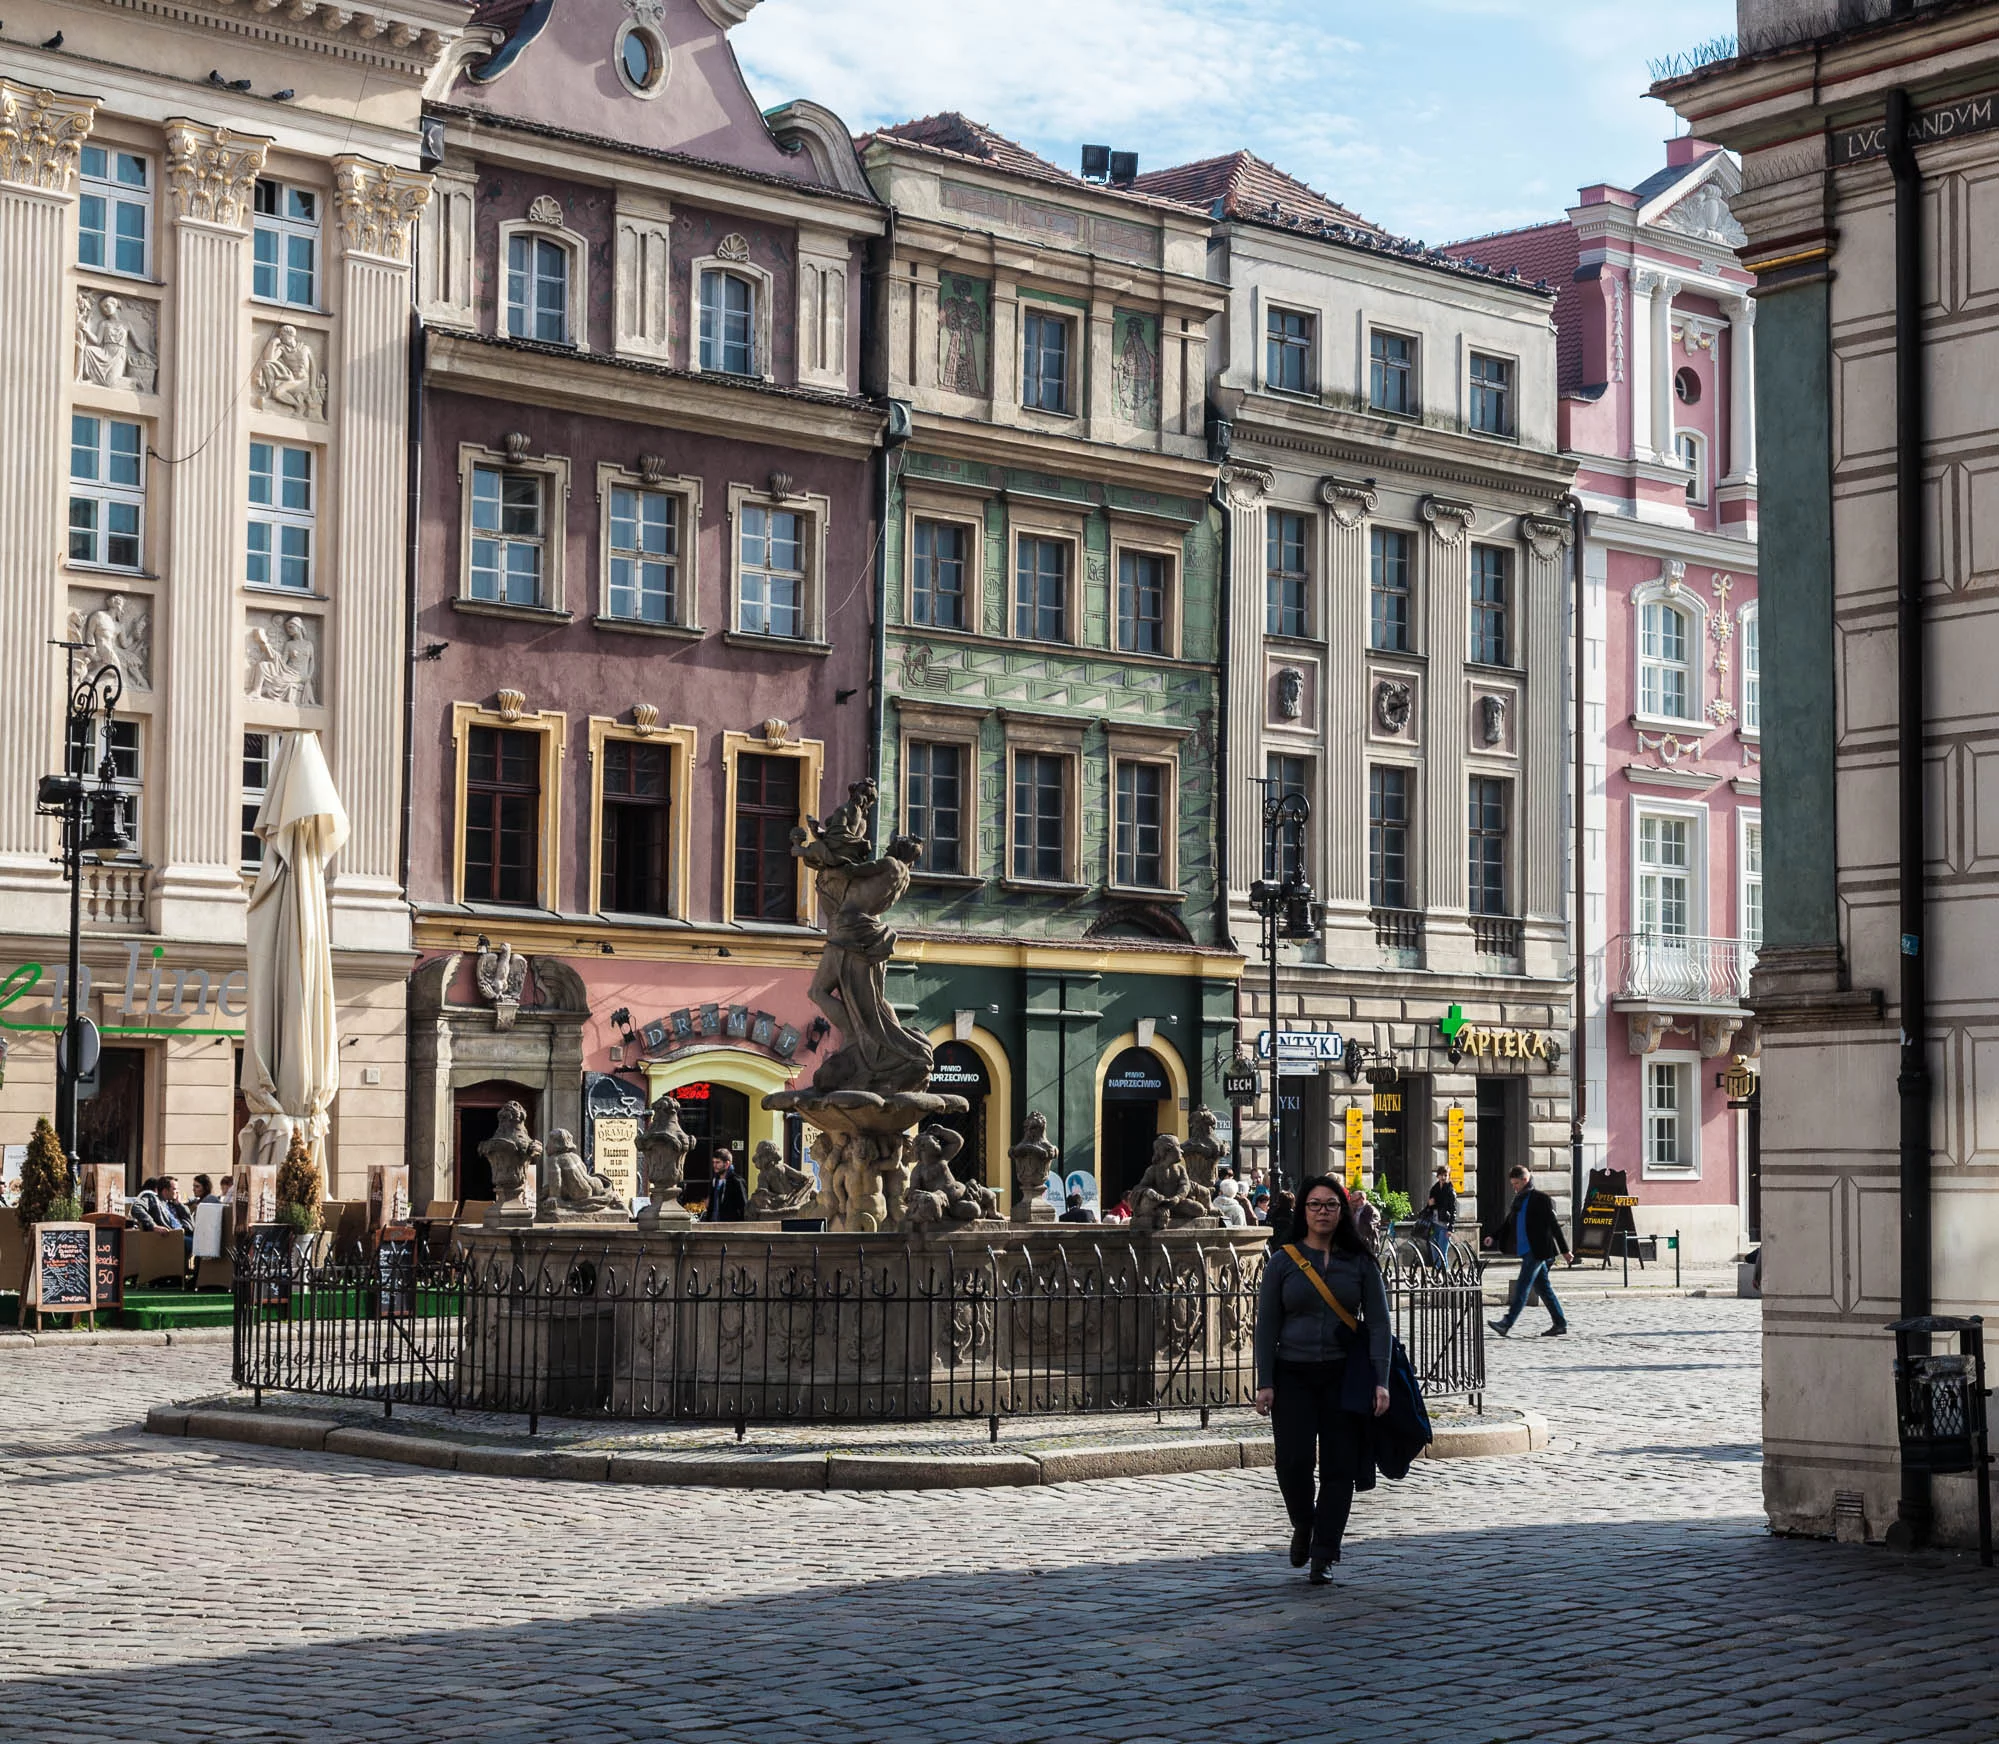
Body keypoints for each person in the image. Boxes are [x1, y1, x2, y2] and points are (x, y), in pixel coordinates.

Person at [1254, 1176, 1392, 1586]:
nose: (1322, 1212)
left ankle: (1324, 1552)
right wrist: (1265, 1380)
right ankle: (1304, 1523)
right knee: (1292, 1462)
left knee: (1339, 1467)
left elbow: (1379, 1324)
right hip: (1292, 1374)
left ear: (1342, 1211)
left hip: (1343, 1376)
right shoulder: (1283, 1261)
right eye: (1314, 1204)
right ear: (1303, 1211)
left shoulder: (1360, 1261)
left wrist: (1381, 1380)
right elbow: (1267, 1325)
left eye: (1331, 1205)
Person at [1483, 1163, 1573, 1337]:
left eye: (1516, 1184)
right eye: (1513, 1184)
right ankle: (1560, 1323)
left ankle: (1506, 1323)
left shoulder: (1540, 1199)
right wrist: (1493, 1236)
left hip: (1537, 1251)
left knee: (1523, 1286)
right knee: (1543, 1289)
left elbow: (1554, 1226)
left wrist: (1565, 1250)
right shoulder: (1519, 1200)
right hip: (1526, 1250)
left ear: (1525, 1180)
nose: (1514, 1187)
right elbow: (1508, 1223)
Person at [1415, 1166, 1457, 1270]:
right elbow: (1430, 1207)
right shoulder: (1434, 1189)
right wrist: (1429, 1204)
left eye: (1446, 1175)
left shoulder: (1450, 1191)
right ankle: (1438, 1274)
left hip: (1444, 1226)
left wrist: (1451, 1228)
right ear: (1437, 1176)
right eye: (1441, 1175)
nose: (1443, 1177)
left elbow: (1453, 1211)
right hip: (1433, 1225)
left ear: (1449, 1176)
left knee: (1442, 1252)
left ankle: (1444, 1274)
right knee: (1434, 1252)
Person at [704, 1150, 748, 1222]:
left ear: (727, 1164)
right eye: (713, 1162)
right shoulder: (714, 1181)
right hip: (713, 1223)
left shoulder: (737, 1182)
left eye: (718, 1162)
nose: (714, 1165)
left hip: (730, 1224)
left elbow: (743, 1207)